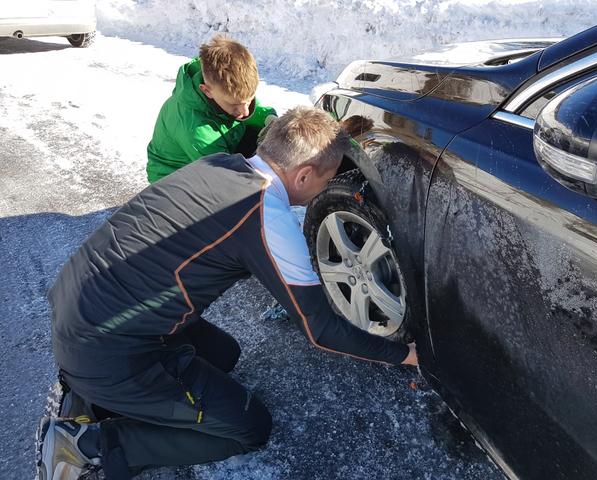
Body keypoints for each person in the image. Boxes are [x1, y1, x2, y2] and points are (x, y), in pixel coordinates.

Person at [37, 106, 417, 480]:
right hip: (110, 351)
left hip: (81, 308)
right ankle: (89, 443)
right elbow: (320, 331)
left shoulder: (220, 164)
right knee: (249, 426)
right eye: (327, 178)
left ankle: (95, 397)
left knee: (224, 354)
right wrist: (405, 355)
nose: (325, 187)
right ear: (303, 175)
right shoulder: (264, 214)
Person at [146, 35, 276, 183]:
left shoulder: (226, 92)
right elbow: (223, 174)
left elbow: (251, 111)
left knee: (265, 134)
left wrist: (268, 119)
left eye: (249, 100)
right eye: (235, 105)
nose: (245, 111)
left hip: (210, 156)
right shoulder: (194, 128)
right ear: (207, 91)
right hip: (174, 184)